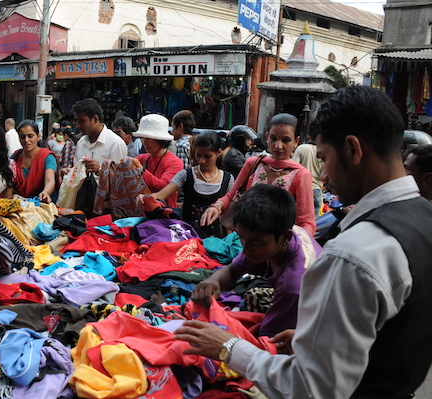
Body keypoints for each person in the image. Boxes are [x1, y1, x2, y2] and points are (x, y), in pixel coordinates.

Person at [175, 85, 432, 398]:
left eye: (323, 158)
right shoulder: (424, 219)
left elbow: (312, 388)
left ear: (353, 149)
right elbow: (393, 332)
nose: (323, 176)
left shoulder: (355, 253)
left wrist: (229, 347)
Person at [192, 184, 321, 337]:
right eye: (240, 237)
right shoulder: (272, 236)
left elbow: (267, 341)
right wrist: (213, 281)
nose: (245, 250)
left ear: (285, 237)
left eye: (256, 243)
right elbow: (234, 270)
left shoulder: (292, 284)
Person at [201, 113, 316, 236]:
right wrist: (216, 207)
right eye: (273, 138)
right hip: (245, 239)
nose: (278, 145)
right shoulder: (254, 164)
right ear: (267, 137)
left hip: (277, 247)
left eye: (286, 140)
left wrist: (295, 245)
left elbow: (307, 222)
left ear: (296, 141)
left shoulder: (300, 175)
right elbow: (232, 195)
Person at [139, 131, 233, 237]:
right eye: (198, 155)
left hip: (216, 239)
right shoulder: (186, 175)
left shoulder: (228, 179)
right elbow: (161, 194)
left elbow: (228, 213)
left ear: (219, 153)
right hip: (187, 237)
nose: (201, 161)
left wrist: (228, 240)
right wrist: (145, 198)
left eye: (207, 157)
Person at [134, 114, 184, 208]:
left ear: (160, 139)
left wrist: (141, 171)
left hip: (163, 215)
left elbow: (164, 187)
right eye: (143, 138)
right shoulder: (141, 158)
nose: (145, 142)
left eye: (148, 138)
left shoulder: (175, 162)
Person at [70, 98, 127, 176]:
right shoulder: (81, 142)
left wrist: (100, 170)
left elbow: (121, 178)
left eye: (81, 121)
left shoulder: (115, 143)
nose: (78, 126)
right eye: (77, 121)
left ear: (95, 119)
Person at [13, 119, 57, 203]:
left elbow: (50, 180)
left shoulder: (47, 157)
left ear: (38, 137)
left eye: (30, 136)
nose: (26, 140)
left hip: (41, 203)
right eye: (22, 137)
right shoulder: (15, 156)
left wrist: (46, 192)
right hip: (18, 204)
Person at [293, 134, 324, 216]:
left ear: (308, 137)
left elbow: (293, 169)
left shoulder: (302, 148)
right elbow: (325, 174)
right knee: (315, 222)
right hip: (316, 190)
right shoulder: (322, 151)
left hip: (301, 189)